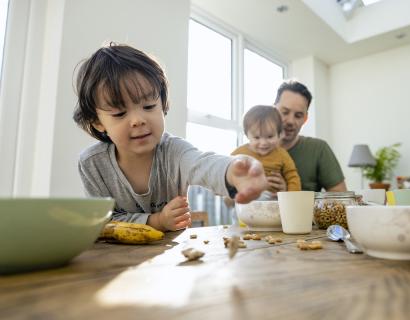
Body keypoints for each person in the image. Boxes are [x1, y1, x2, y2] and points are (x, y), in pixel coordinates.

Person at [73, 43, 267, 232]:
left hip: (171, 254)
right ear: (97, 122)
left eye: (149, 106)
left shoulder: (174, 151)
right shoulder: (92, 163)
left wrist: (232, 172)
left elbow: (202, 164)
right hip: (116, 257)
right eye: (119, 114)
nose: (138, 120)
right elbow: (104, 221)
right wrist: (157, 221)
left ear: (162, 104)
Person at [269, 80, 347, 193]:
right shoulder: (251, 150)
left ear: (305, 119)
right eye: (285, 112)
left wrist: (288, 193)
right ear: (273, 110)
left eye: (298, 115)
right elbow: (233, 198)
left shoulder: (319, 149)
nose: (290, 121)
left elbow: (341, 197)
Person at [231, 105, 301, 198]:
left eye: (270, 136)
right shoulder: (239, 153)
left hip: (273, 199)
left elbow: (292, 176)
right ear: (247, 135)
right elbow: (227, 172)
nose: (263, 143)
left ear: (279, 134)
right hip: (247, 198)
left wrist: (290, 197)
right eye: (256, 137)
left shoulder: (281, 154)